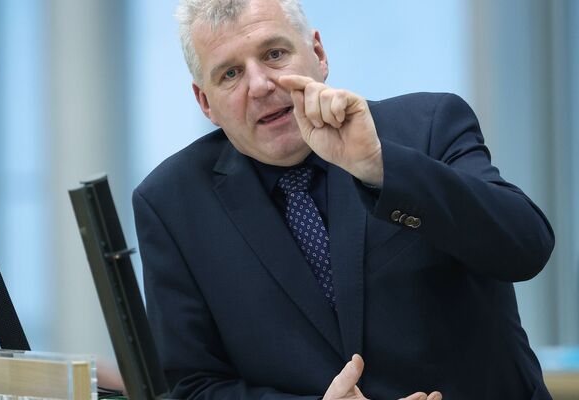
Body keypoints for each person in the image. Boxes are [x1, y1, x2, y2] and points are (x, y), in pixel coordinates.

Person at [131, 0, 555, 398]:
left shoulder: (427, 125)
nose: (259, 85)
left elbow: (526, 247)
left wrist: (381, 168)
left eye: (275, 54)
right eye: (230, 74)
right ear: (205, 102)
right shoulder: (171, 203)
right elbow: (194, 386)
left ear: (318, 53)